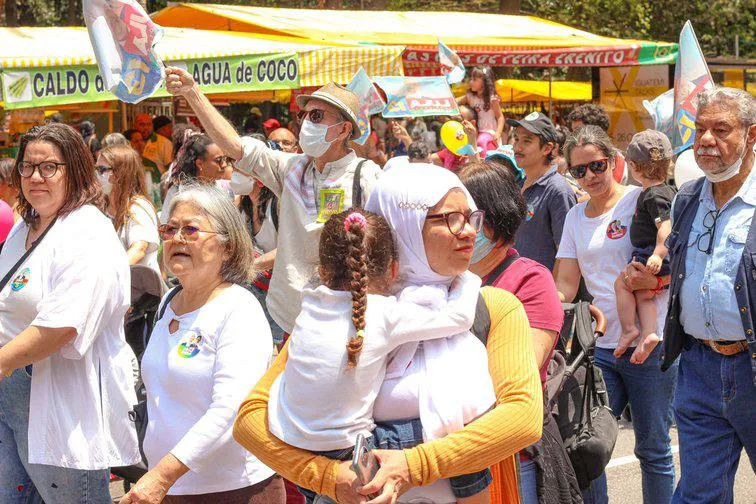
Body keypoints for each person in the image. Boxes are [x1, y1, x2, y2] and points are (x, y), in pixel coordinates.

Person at [234, 164, 543, 504]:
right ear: (403, 224)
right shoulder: (344, 314)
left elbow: (523, 418)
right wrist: (328, 476)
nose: (468, 230)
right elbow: (250, 421)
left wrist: (413, 466)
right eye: (450, 218)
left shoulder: (492, 307)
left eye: (471, 217)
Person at [269, 207, 493, 504]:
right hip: (347, 450)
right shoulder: (384, 314)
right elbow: (460, 317)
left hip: (293, 445)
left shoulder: (309, 304)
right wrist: (464, 276)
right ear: (393, 271)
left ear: (322, 271)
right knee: (463, 427)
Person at [165, 67, 382, 341]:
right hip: (290, 317)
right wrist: (193, 92)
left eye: (317, 116)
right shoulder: (292, 168)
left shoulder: (367, 177)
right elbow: (235, 147)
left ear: (344, 129)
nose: (306, 124)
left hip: (343, 316)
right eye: (304, 116)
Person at [0, 123, 140, 502]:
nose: (34, 177)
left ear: (75, 169)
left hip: (57, 393)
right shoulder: (25, 226)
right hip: (12, 390)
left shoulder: (88, 231)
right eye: (26, 167)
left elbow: (62, 326)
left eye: (49, 167)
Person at [120, 184, 284, 504]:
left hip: (232, 490)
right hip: (169, 487)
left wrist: (161, 476)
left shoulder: (239, 309)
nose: (177, 238)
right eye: (169, 229)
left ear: (227, 246)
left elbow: (229, 410)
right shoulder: (169, 301)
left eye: (191, 229)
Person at [553, 125, 676, 504]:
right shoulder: (575, 217)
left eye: (597, 165)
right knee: (588, 450)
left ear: (616, 162)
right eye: (579, 170)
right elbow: (566, 285)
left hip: (648, 347)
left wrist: (652, 278)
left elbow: (674, 249)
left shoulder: (642, 199)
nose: (590, 176)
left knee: (653, 450)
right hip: (601, 349)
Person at [659, 87, 756, 504]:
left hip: (751, 368)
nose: (706, 141)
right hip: (697, 367)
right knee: (699, 495)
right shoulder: (686, 198)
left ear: (752, 136)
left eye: (721, 129)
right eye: (700, 129)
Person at [459, 160, 569, 504]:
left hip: (512, 455)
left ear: (494, 220)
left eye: (468, 217)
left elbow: (520, 372)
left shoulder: (531, 280)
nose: (460, 228)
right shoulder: (448, 279)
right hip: (457, 452)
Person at [613, 130, 677, 363]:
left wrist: (658, 255)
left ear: (633, 166)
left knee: (622, 283)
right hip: (654, 254)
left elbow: (666, 227)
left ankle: (629, 328)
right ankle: (649, 332)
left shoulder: (654, 195)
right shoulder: (666, 191)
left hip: (650, 254)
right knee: (644, 295)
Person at [509, 112, 576, 271]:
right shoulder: (518, 184)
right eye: (516, 138)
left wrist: (552, 293)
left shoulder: (557, 190)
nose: (517, 147)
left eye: (527, 141)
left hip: (540, 290)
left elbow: (566, 253)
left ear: (547, 148)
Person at [96, 144, 161, 272]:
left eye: (102, 169)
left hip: (139, 288)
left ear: (120, 173)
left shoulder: (138, 207)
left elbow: (139, 249)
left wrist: (109, 276)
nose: (97, 174)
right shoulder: (100, 207)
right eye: (96, 168)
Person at [160, 134, 231, 224]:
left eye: (224, 159)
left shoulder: (226, 189)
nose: (224, 165)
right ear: (199, 164)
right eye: (218, 160)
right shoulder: (177, 193)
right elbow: (166, 225)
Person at [568, 104, 626, 183]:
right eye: (573, 131)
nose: (573, 136)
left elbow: (605, 192)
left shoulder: (616, 159)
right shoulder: (577, 156)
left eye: (578, 130)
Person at [457, 66, 504, 147]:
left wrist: (498, 133)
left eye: (474, 80)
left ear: (485, 82)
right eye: (471, 79)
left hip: (489, 132)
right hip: (474, 131)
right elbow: (455, 101)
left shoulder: (492, 99)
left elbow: (500, 117)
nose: (471, 82)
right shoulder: (470, 97)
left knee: (480, 142)